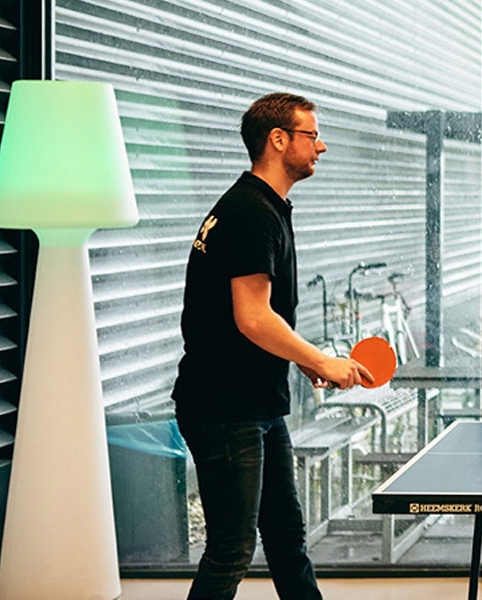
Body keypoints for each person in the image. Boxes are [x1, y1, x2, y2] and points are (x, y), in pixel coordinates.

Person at [172, 92, 370, 600]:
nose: (321, 146)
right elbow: (253, 317)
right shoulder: (251, 213)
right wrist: (320, 359)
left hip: (255, 402)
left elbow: (256, 318)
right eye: (312, 135)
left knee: (285, 539)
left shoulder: (263, 206)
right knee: (231, 550)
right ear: (278, 140)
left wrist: (298, 358)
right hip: (224, 407)